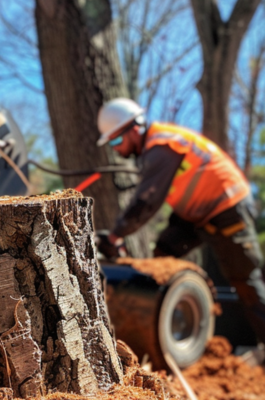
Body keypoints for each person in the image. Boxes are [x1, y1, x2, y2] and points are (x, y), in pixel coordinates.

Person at [96, 98, 265, 345]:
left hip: (226, 207)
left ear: (135, 128)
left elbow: (147, 201)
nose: (115, 148)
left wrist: (115, 236)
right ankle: (165, 331)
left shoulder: (163, 145)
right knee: (164, 253)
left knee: (246, 282)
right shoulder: (154, 150)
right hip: (196, 213)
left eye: (116, 140)